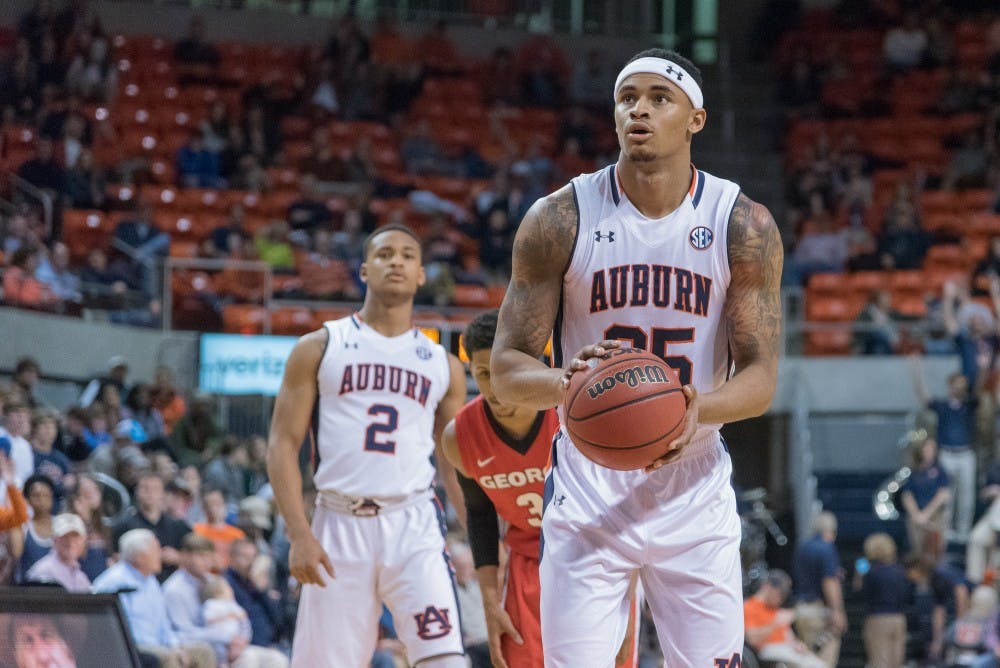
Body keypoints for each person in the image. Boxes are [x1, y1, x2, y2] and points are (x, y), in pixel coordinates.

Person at [489, 49, 783, 666]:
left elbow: (760, 379)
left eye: (658, 97)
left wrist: (697, 407)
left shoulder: (742, 224)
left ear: (695, 118)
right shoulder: (559, 217)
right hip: (588, 483)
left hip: (695, 482)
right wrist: (565, 382)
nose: (639, 110)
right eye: (628, 98)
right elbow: (507, 367)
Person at [266, 222, 469, 667]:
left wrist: (480, 536)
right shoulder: (320, 346)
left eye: (407, 255)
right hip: (337, 523)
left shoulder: (443, 365)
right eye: (384, 254)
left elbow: (455, 460)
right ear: (363, 270)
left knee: (446, 659)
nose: (396, 261)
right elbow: (282, 444)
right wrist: (299, 534)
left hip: (414, 522)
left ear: (421, 275)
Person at [441, 309, 638, 667]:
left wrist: (628, 597)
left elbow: (621, 510)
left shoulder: (577, 414)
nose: (495, 386)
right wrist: (489, 601)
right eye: (483, 374)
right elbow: (480, 515)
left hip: (594, 560)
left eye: (503, 373)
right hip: (525, 568)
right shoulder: (460, 437)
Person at [93, 529, 217, 668]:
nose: (161, 555)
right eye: (156, 550)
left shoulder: (151, 580)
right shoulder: (114, 582)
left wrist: (175, 646)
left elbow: (163, 623)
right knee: (167, 657)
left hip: (158, 644)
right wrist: (169, 650)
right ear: (140, 557)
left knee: (203, 652)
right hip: (131, 646)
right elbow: (116, 629)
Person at [792, 512, 846, 667]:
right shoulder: (827, 548)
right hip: (820, 613)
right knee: (824, 661)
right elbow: (829, 582)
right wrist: (837, 611)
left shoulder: (802, 546)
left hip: (801, 610)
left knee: (806, 660)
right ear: (832, 531)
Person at [744, 569, 826, 668]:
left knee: (819, 664)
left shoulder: (775, 609)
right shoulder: (749, 607)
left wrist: (797, 644)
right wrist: (775, 623)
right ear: (768, 587)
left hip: (786, 649)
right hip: (767, 651)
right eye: (780, 594)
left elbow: (788, 636)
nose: (781, 599)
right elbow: (752, 640)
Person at [857, 532, 908, 668]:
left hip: (878, 618)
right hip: (898, 618)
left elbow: (859, 589)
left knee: (880, 661)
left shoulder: (870, 572)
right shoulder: (899, 571)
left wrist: (860, 571)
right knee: (897, 662)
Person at [900, 431, 950, 557]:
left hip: (935, 516)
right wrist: (916, 515)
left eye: (932, 448)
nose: (929, 451)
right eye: (926, 448)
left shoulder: (940, 470)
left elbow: (942, 494)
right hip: (916, 518)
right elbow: (907, 494)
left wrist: (926, 514)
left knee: (936, 550)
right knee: (918, 552)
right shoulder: (913, 471)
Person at [25, 513, 91, 592]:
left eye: (75, 536)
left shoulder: (82, 578)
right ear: (54, 539)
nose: (70, 542)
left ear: (83, 540)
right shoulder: (42, 572)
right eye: (64, 537)